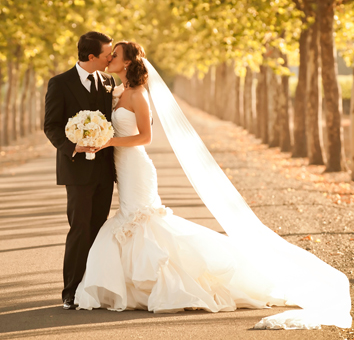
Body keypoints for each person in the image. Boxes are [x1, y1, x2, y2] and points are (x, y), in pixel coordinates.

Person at [74, 41, 352, 330]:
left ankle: (173, 283)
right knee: (132, 223)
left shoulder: (138, 95)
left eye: (115, 55)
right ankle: (136, 286)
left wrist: (109, 141)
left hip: (137, 167)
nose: (110, 59)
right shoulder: (117, 91)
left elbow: (146, 137)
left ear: (128, 62)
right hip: (121, 166)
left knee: (141, 221)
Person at [43, 31, 117, 310]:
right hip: (75, 170)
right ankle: (70, 291)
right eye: (107, 54)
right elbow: (50, 125)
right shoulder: (60, 83)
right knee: (79, 228)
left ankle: (93, 287)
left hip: (104, 171)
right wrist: (73, 146)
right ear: (91, 57)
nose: (110, 58)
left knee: (98, 229)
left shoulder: (109, 82)